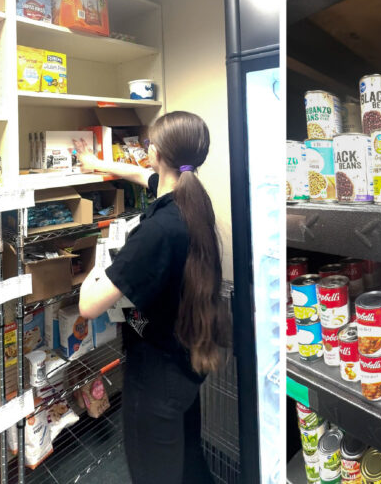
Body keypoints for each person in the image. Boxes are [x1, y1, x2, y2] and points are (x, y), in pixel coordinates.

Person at [75, 111, 230, 484]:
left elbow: (88, 307)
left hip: (156, 375)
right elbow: (142, 176)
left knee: (153, 472)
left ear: (155, 152)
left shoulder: (158, 231)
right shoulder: (193, 199)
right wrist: (96, 163)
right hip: (184, 356)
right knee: (189, 460)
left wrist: (93, 271)